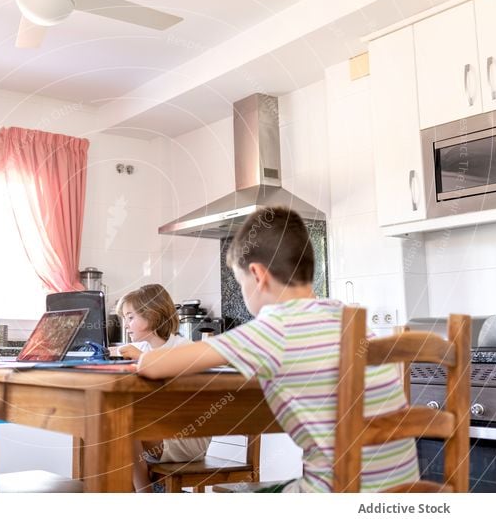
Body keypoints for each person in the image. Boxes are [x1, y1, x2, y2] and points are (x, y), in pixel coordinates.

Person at [137, 207, 419, 492]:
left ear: (257, 275)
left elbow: (152, 365)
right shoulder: (345, 319)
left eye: (240, 282)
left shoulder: (273, 328)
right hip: (398, 495)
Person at [116, 284, 212, 492]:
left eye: (130, 317)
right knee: (108, 424)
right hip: (157, 431)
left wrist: (142, 359)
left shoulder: (183, 348)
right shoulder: (140, 349)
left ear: (151, 315)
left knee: (124, 425)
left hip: (187, 437)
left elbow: (181, 387)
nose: (125, 325)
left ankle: (146, 493)